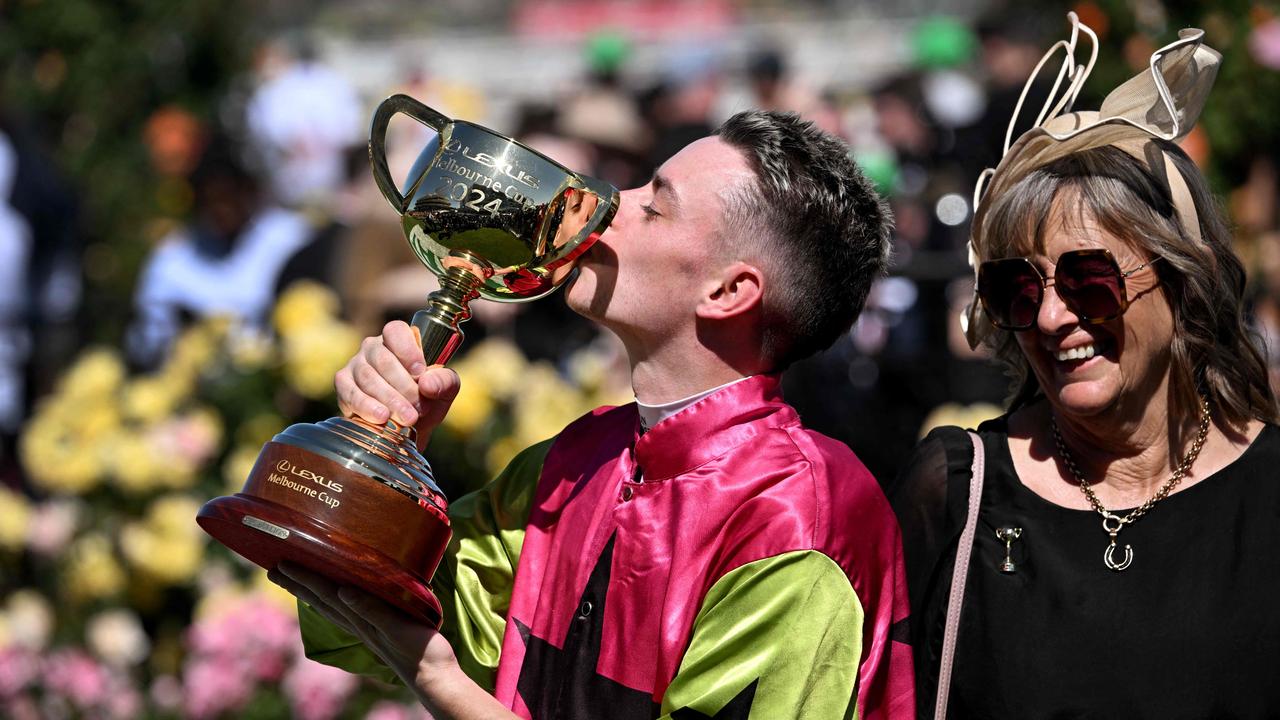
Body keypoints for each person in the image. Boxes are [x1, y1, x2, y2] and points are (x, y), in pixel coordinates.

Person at [270, 110, 915, 719]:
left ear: (728, 292)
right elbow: (359, 616)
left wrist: (438, 679)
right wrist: (383, 452)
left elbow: (425, 651)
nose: (608, 204)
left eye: (653, 206)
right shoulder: (581, 457)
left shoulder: (796, 515)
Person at [891, 15, 1280, 718]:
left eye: (1089, 280)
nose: (1048, 318)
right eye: (1018, 288)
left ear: (1183, 279)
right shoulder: (955, 489)